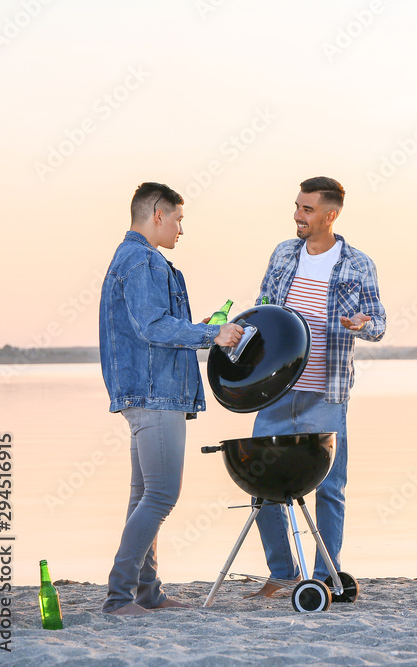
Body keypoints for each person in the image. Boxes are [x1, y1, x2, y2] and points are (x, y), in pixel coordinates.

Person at [99, 182, 243, 615]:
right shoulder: (142, 260)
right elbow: (151, 328)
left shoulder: (131, 258)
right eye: (179, 219)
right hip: (154, 394)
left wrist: (193, 328)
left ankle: (148, 593)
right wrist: (211, 333)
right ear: (157, 213)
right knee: (161, 496)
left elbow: (155, 326)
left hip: (143, 391)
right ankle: (119, 596)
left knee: (144, 495)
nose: (181, 229)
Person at [249, 176, 385, 596]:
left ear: (331, 214)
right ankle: (283, 572)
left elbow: (377, 323)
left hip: (327, 393)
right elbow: (265, 312)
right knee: (262, 484)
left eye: (307, 209)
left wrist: (363, 324)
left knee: (330, 487)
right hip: (275, 391)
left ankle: (327, 575)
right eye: (296, 206)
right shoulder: (283, 254)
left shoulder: (358, 263)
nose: (297, 216)